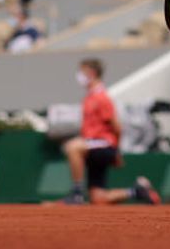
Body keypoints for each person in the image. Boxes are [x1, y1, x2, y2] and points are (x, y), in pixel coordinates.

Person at [60, 58, 160, 206]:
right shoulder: (90, 97)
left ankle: (77, 193)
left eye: (82, 71)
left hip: (103, 145)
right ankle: (137, 191)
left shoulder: (101, 97)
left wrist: (116, 151)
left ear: (91, 73)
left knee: (72, 147)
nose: (79, 76)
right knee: (98, 199)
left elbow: (117, 126)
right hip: (92, 147)